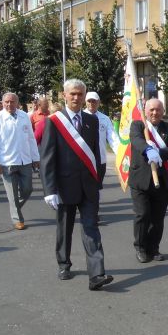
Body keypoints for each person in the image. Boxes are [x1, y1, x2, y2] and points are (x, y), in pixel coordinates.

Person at [40, 79, 113, 291]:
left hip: (88, 185)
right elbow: (47, 157)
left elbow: (96, 153)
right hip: (64, 186)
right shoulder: (54, 122)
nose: (76, 98)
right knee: (65, 228)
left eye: (80, 94)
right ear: (64, 96)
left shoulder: (91, 121)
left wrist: (98, 180)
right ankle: (64, 263)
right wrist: (49, 190)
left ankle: (97, 274)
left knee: (91, 228)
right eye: (72, 94)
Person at [128, 98, 168, 263]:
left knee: (158, 218)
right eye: (151, 110)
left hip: (161, 180)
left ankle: (153, 247)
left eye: (158, 110)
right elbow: (137, 141)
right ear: (146, 111)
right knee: (143, 214)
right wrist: (148, 149)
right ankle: (140, 247)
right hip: (140, 179)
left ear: (163, 111)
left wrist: (158, 151)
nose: (155, 113)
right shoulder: (138, 125)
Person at [0, 92, 40, 230]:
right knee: (12, 193)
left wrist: (36, 158)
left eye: (12, 102)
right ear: (2, 102)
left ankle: (14, 206)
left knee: (28, 189)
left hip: (25, 160)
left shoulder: (24, 116)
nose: (9, 104)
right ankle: (17, 218)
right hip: (7, 161)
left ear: (17, 103)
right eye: (6, 102)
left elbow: (31, 138)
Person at [83, 92, 118, 186]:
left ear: (98, 102)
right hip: (85, 159)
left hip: (100, 159)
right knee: (86, 187)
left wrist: (120, 153)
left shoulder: (105, 119)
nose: (91, 103)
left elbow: (112, 137)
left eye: (93, 101)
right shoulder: (81, 117)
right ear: (85, 102)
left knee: (97, 187)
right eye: (89, 101)